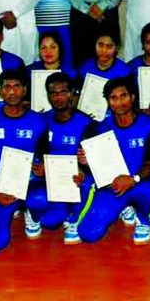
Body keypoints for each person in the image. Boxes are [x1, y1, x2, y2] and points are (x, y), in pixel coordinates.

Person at [77, 77, 150, 245]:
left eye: (123, 96)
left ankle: (143, 219)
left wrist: (133, 179)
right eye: (113, 98)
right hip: (113, 187)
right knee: (87, 234)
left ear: (132, 98)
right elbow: (89, 163)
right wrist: (86, 162)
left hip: (140, 183)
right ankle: (124, 208)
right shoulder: (99, 128)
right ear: (108, 102)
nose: (119, 102)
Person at [0, 69, 49, 251]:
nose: (12, 91)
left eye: (17, 86)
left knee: (40, 200)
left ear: (25, 90)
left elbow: (45, 155)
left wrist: (44, 170)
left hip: (31, 184)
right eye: (7, 87)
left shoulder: (39, 121)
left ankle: (31, 213)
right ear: (0, 92)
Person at [25, 72, 94, 244]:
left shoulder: (87, 123)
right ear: (47, 95)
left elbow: (95, 160)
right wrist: (41, 168)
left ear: (71, 94)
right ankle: (47, 213)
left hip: (77, 180)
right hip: (51, 179)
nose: (58, 97)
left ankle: (74, 220)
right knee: (44, 213)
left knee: (87, 184)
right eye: (53, 93)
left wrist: (85, 168)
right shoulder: (42, 121)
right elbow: (39, 153)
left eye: (62, 92)